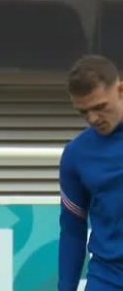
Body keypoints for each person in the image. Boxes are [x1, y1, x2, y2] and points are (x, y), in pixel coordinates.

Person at [59, 55, 123, 291]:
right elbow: (72, 232)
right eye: (83, 112)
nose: (93, 118)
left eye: (100, 107)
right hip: (107, 279)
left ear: (120, 90)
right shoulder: (76, 155)